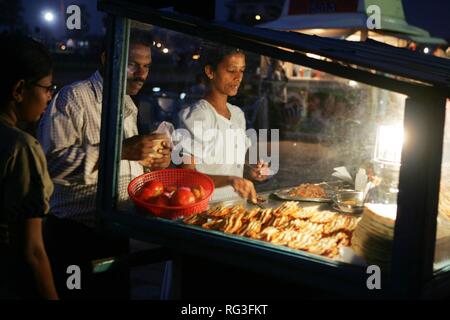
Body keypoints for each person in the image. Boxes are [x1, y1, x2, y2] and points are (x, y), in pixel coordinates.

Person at [37, 30, 171, 299]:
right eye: (133, 64)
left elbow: (127, 163)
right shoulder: (73, 98)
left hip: (115, 232)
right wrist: (122, 150)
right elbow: (53, 164)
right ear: (108, 58)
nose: (141, 74)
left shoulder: (127, 105)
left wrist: (153, 164)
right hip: (75, 236)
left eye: (146, 67)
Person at [0, 35, 58, 299]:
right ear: (19, 90)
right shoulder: (22, 148)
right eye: (47, 88)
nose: (49, 97)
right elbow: (32, 252)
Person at [178, 45, 270, 203]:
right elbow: (187, 176)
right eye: (231, 70)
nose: (238, 77)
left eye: (242, 70)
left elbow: (232, 166)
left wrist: (252, 171)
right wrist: (230, 180)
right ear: (210, 72)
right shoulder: (198, 116)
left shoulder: (237, 115)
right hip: (205, 209)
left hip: (236, 206)